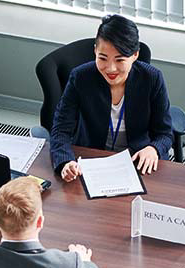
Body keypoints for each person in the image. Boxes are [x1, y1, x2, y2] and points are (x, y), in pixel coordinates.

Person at [43, 15, 175, 181]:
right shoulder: (80, 77)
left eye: (119, 60)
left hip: (137, 162)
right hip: (91, 161)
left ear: (135, 55)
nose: (111, 68)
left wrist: (154, 149)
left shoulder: (152, 78)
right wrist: (65, 162)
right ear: (95, 51)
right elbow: (61, 129)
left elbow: (165, 134)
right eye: (103, 58)